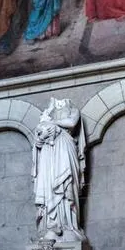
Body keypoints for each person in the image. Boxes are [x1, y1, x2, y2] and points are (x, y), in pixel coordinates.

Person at [33, 98, 86, 240]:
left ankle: (68, 225)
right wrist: (39, 141)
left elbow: (72, 123)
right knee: (49, 184)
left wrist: (52, 123)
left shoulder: (74, 111)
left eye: (61, 104)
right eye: (56, 105)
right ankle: (50, 224)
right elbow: (39, 133)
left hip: (65, 147)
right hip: (48, 151)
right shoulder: (47, 116)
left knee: (66, 184)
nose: (59, 106)